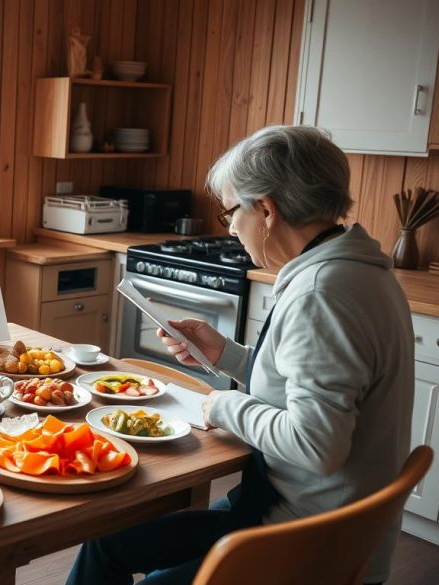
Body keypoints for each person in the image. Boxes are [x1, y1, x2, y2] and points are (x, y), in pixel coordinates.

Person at [66, 125, 414, 585]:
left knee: (127, 562)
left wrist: (224, 404)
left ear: (266, 210)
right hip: (291, 508)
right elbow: (312, 384)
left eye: (231, 211)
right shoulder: (355, 270)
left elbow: (317, 446)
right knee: (106, 542)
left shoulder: (321, 294)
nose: (229, 227)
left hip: (307, 538)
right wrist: (227, 355)